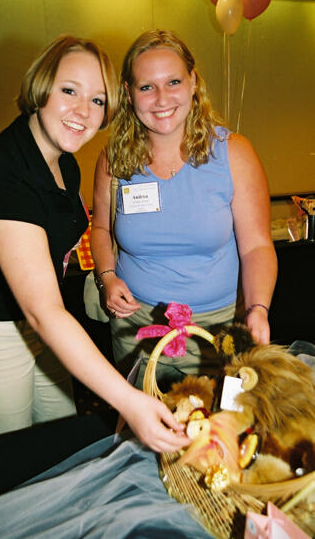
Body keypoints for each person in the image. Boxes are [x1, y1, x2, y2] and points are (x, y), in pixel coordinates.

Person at [0, 34, 190, 453]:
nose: (84, 112)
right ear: (40, 88)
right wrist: (130, 401)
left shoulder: (62, 161)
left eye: (98, 100)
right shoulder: (2, 177)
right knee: (15, 453)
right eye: (69, 91)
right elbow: (43, 310)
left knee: (60, 432)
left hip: (42, 321)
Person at [91, 30, 277, 389]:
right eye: (147, 87)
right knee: (143, 430)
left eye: (173, 81)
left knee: (216, 433)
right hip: (136, 328)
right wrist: (108, 277)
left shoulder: (233, 153)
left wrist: (258, 308)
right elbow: (101, 229)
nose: (161, 98)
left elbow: (256, 246)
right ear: (128, 93)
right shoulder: (114, 159)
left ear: (193, 83)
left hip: (217, 331)